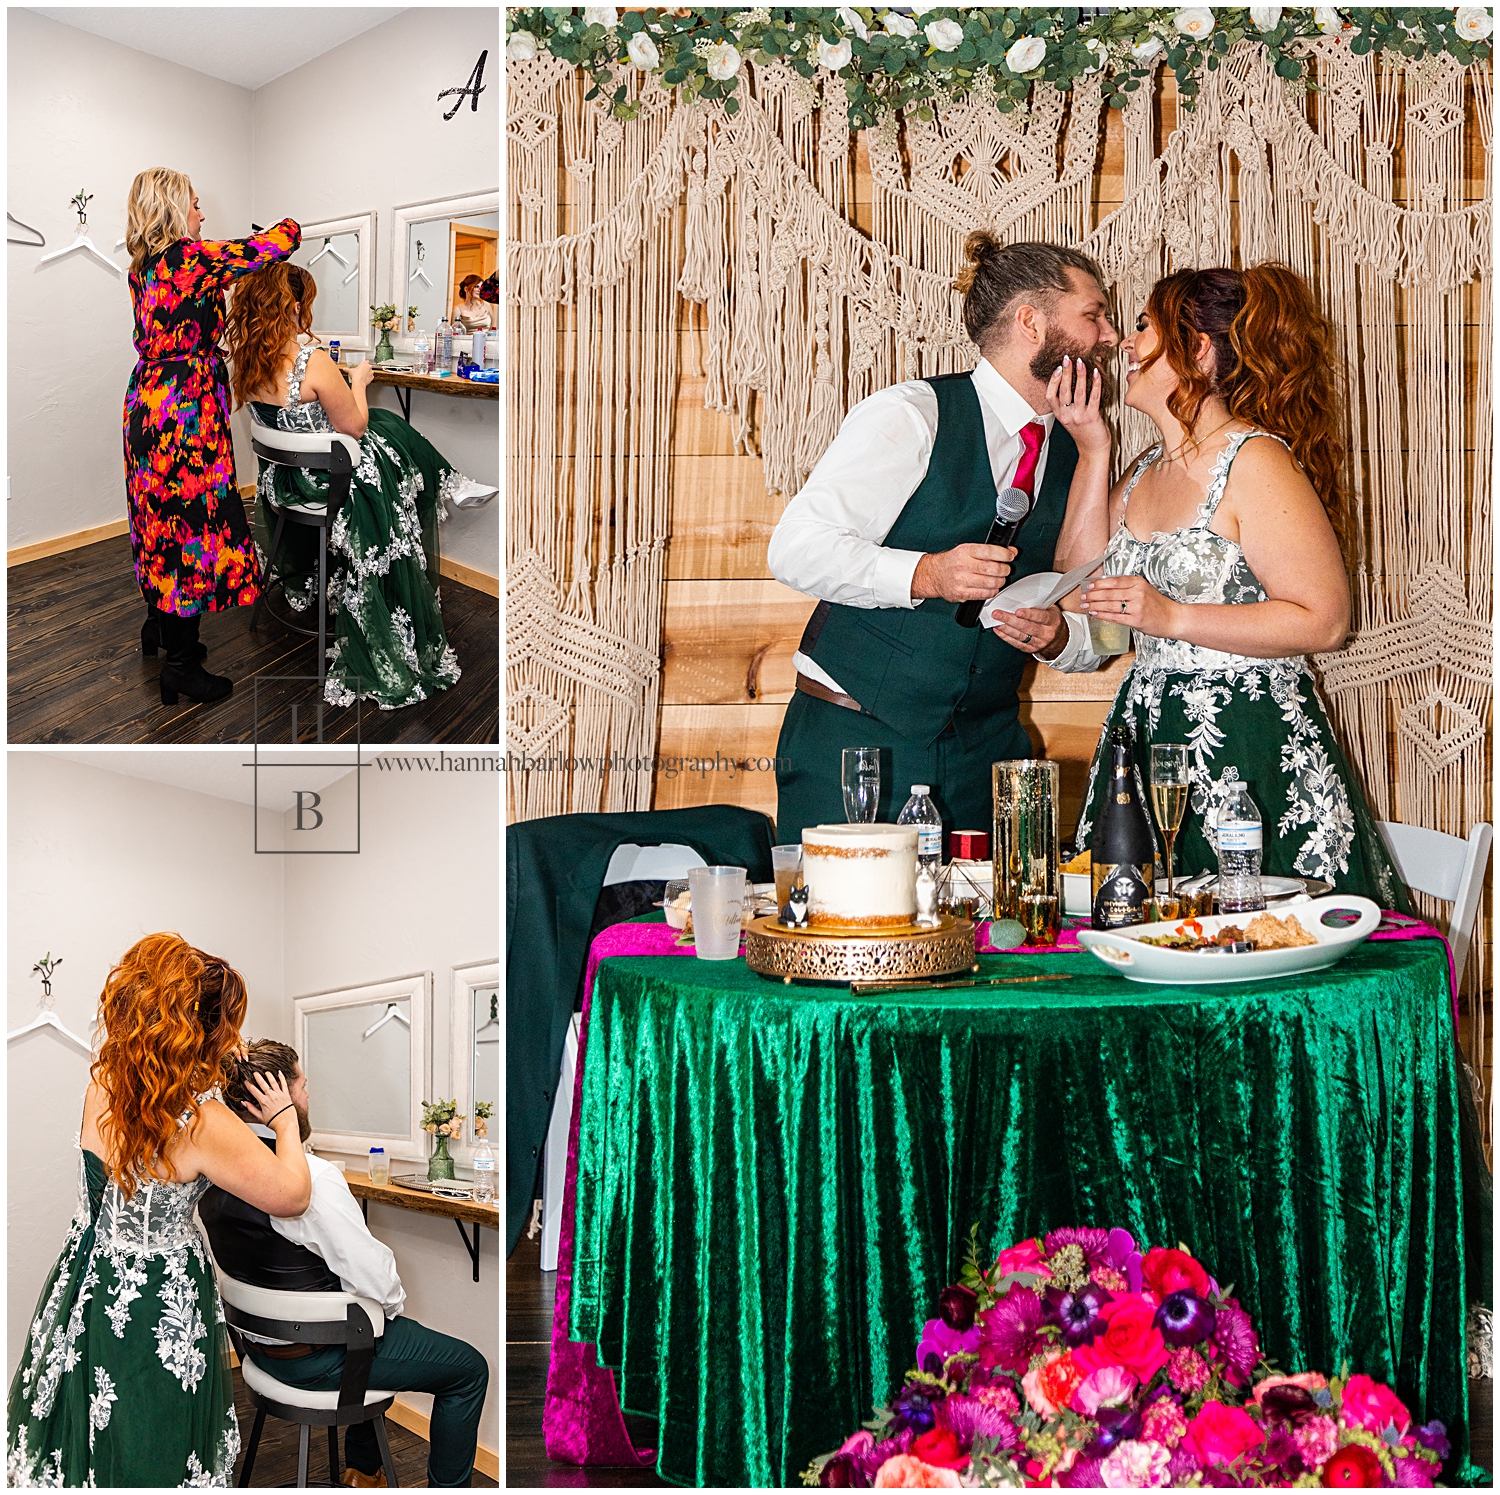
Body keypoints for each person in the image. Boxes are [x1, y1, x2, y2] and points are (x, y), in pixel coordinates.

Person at [1054, 263, 1408, 906]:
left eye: (1143, 328)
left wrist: (1174, 617)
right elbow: (1081, 588)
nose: (1125, 346)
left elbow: (1323, 620)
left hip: (1250, 745)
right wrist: (1092, 448)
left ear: (1198, 349)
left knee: (1262, 948)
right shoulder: (1138, 474)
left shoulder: (1256, 461)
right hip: (1149, 738)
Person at [768, 236, 1119, 840]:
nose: (1110, 336)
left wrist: (1062, 638)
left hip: (989, 757)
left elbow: (1103, 624)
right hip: (858, 744)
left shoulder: (1082, 448)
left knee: (990, 933)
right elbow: (795, 547)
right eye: (1093, 315)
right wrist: (925, 573)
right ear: (1031, 323)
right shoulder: (912, 415)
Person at [7, 935, 309, 1487]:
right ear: (201, 1027)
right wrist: (285, 1120)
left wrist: (212, 1064)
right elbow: (292, 1194)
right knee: (152, 1433)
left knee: (90, 1420)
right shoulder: (201, 1120)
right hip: (156, 1298)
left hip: (86, 1277)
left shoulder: (103, 1084)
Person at [201, 1040, 490, 1489]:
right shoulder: (310, 1179)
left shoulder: (213, 1171)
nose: (308, 1094)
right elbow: (378, 1282)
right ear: (276, 1096)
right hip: (317, 1361)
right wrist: (389, 1303)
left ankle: (362, 1470)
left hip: (261, 1351)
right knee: (467, 1368)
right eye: (302, 1084)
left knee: (373, 1327)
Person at [222, 262, 497, 711]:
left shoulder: (248, 357)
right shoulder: (313, 362)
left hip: (284, 481)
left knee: (387, 429)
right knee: (382, 427)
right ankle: (449, 482)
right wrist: (359, 382)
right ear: (293, 307)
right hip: (325, 487)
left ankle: (451, 482)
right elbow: (353, 425)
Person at [124, 167, 300, 706]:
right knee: (192, 526)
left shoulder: (142, 267)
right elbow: (281, 241)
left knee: (158, 517)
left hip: (147, 400)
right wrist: (281, 222)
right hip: (186, 408)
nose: (203, 215)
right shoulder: (192, 260)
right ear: (176, 210)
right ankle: (180, 665)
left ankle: (159, 628)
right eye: (196, 205)